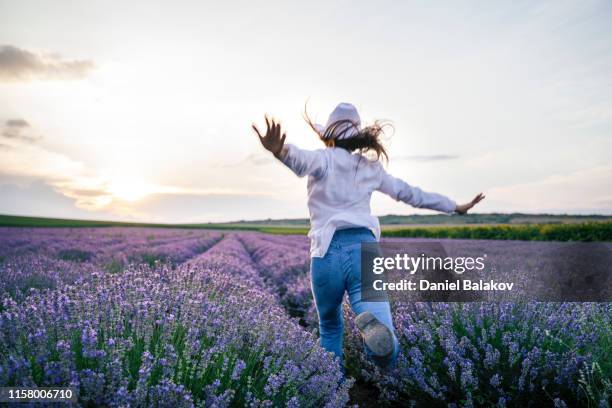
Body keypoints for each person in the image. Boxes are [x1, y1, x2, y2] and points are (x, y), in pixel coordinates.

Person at [251, 102, 484, 371]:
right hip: (364, 251)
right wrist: (454, 206)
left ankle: (333, 389)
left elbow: (300, 160)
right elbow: (411, 194)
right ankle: (383, 350)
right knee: (380, 323)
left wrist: (280, 151)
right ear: (359, 137)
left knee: (329, 327)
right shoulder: (371, 168)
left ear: (329, 135)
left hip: (326, 252)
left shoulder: (323, 159)